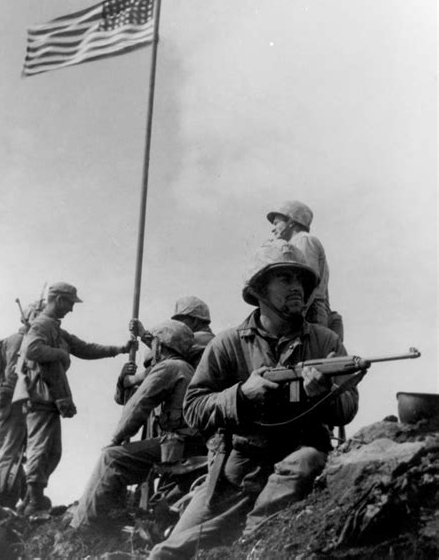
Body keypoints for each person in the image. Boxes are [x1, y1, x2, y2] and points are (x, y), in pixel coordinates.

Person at [149, 240, 359, 559]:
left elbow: (348, 409)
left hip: (296, 465)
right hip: (237, 471)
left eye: (301, 280)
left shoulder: (325, 341)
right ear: (260, 289)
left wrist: (326, 394)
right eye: (285, 279)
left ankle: (251, 542)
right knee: (166, 554)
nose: (297, 288)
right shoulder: (227, 344)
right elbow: (193, 408)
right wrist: (241, 396)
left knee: (305, 462)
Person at [70, 320, 206, 530]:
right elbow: (130, 398)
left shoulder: (169, 367)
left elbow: (138, 405)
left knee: (112, 458)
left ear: (160, 347)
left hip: (179, 445)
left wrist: (115, 439)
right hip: (189, 444)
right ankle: (113, 516)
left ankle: (82, 527)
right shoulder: (185, 368)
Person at [16, 282, 133, 517]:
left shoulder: (55, 328)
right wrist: (60, 353)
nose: (71, 309)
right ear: (59, 300)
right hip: (41, 397)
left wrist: (118, 349)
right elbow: (32, 350)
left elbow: (84, 348)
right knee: (41, 449)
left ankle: (33, 498)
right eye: (70, 303)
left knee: (52, 451)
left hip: (49, 399)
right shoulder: (42, 325)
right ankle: (34, 502)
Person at [0, 300, 44, 508]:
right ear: (31, 317)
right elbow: (12, 377)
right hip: (10, 402)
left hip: (3, 402)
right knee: (7, 450)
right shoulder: (20, 341)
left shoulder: (14, 340)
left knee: (5, 449)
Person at [116, 296, 215, 398]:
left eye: (181, 321)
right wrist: (123, 380)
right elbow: (121, 398)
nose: (177, 325)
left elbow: (171, 352)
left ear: (195, 321)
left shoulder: (204, 339)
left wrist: (143, 335)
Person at [267, 200, 331, 327]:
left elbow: (308, 282)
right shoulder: (296, 242)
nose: (273, 229)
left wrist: (297, 318)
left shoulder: (303, 240)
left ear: (291, 222)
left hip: (308, 310)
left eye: (276, 223)